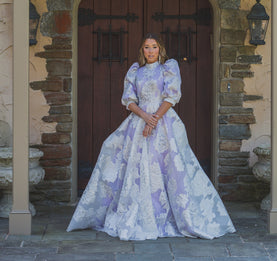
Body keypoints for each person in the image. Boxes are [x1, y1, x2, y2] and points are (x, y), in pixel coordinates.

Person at [67, 33, 236, 240]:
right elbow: (128, 100)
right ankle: (136, 214)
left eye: (154, 47)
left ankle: (172, 215)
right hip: (138, 121)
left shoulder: (169, 68)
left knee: (165, 166)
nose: (150, 51)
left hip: (164, 122)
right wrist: (145, 117)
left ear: (160, 49)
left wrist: (154, 119)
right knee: (123, 156)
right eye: (146, 47)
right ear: (142, 50)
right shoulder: (135, 71)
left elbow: (171, 96)